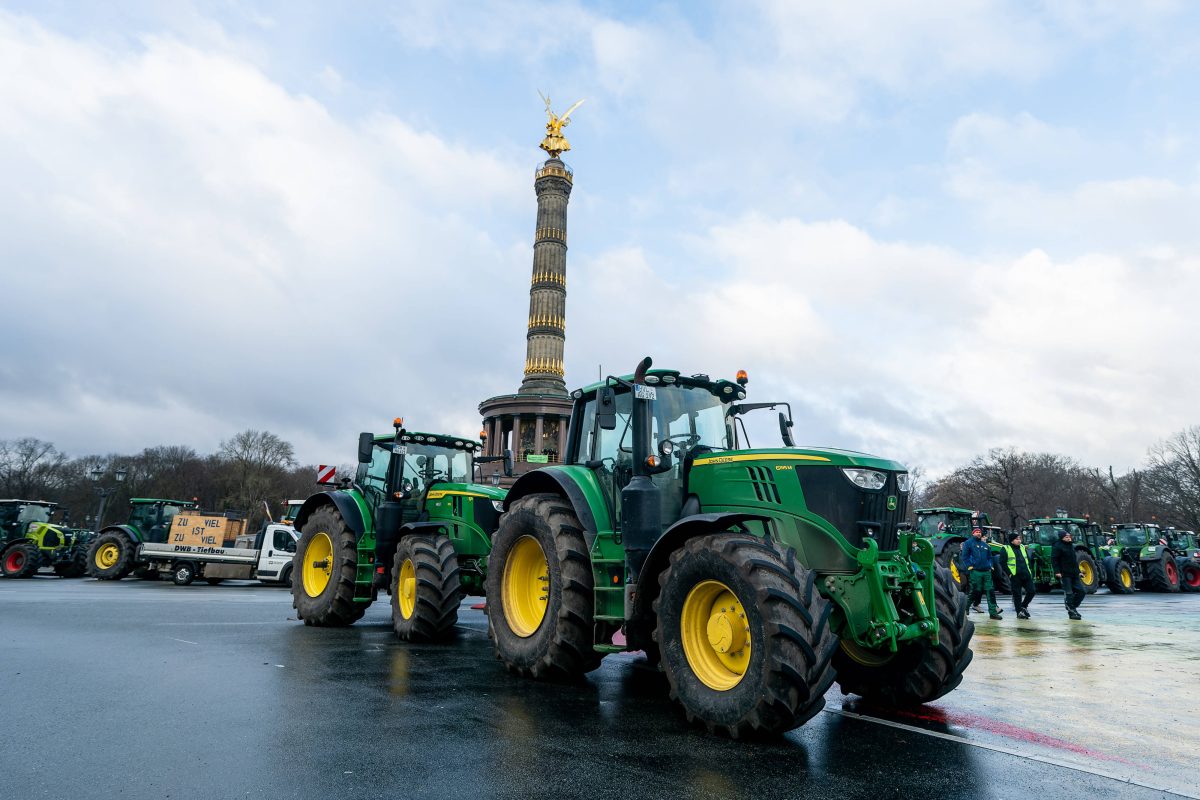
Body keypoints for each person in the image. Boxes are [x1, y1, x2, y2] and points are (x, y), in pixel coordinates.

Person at [961, 527, 1003, 620]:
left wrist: (991, 566)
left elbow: (990, 557)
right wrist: (969, 566)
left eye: (979, 532)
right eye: (976, 532)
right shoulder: (968, 543)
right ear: (973, 533)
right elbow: (964, 556)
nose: (978, 533)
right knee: (976, 591)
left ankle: (993, 612)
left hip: (986, 571)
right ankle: (965, 608)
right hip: (976, 571)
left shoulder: (986, 545)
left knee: (990, 591)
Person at [1052, 529, 1085, 620]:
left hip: (1074, 573)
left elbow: (1074, 561)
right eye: (1066, 537)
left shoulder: (1071, 546)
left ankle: (1072, 607)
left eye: (1069, 536)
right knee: (1069, 593)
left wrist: (1079, 572)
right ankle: (1072, 611)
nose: (1069, 538)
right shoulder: (1057, 546)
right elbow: (1054, 560)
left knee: (1081, 591)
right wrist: (1057, 572)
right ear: (1062, 538)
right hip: (1064, 574)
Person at [1002, 531, 1036, 618]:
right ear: (1012, 541)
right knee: (1017, 595)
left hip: (1026, 574)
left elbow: (1027, 560)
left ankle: (1024, 606)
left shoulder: (1022, 547)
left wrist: (1030, 571)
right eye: (1017, 539)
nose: (1019, 540)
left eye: (1019, 539)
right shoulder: (1006, 548)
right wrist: (1009, 574)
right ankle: (1019, 612)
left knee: (1032, 591)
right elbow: (1002, 563)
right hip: (1015, 576)